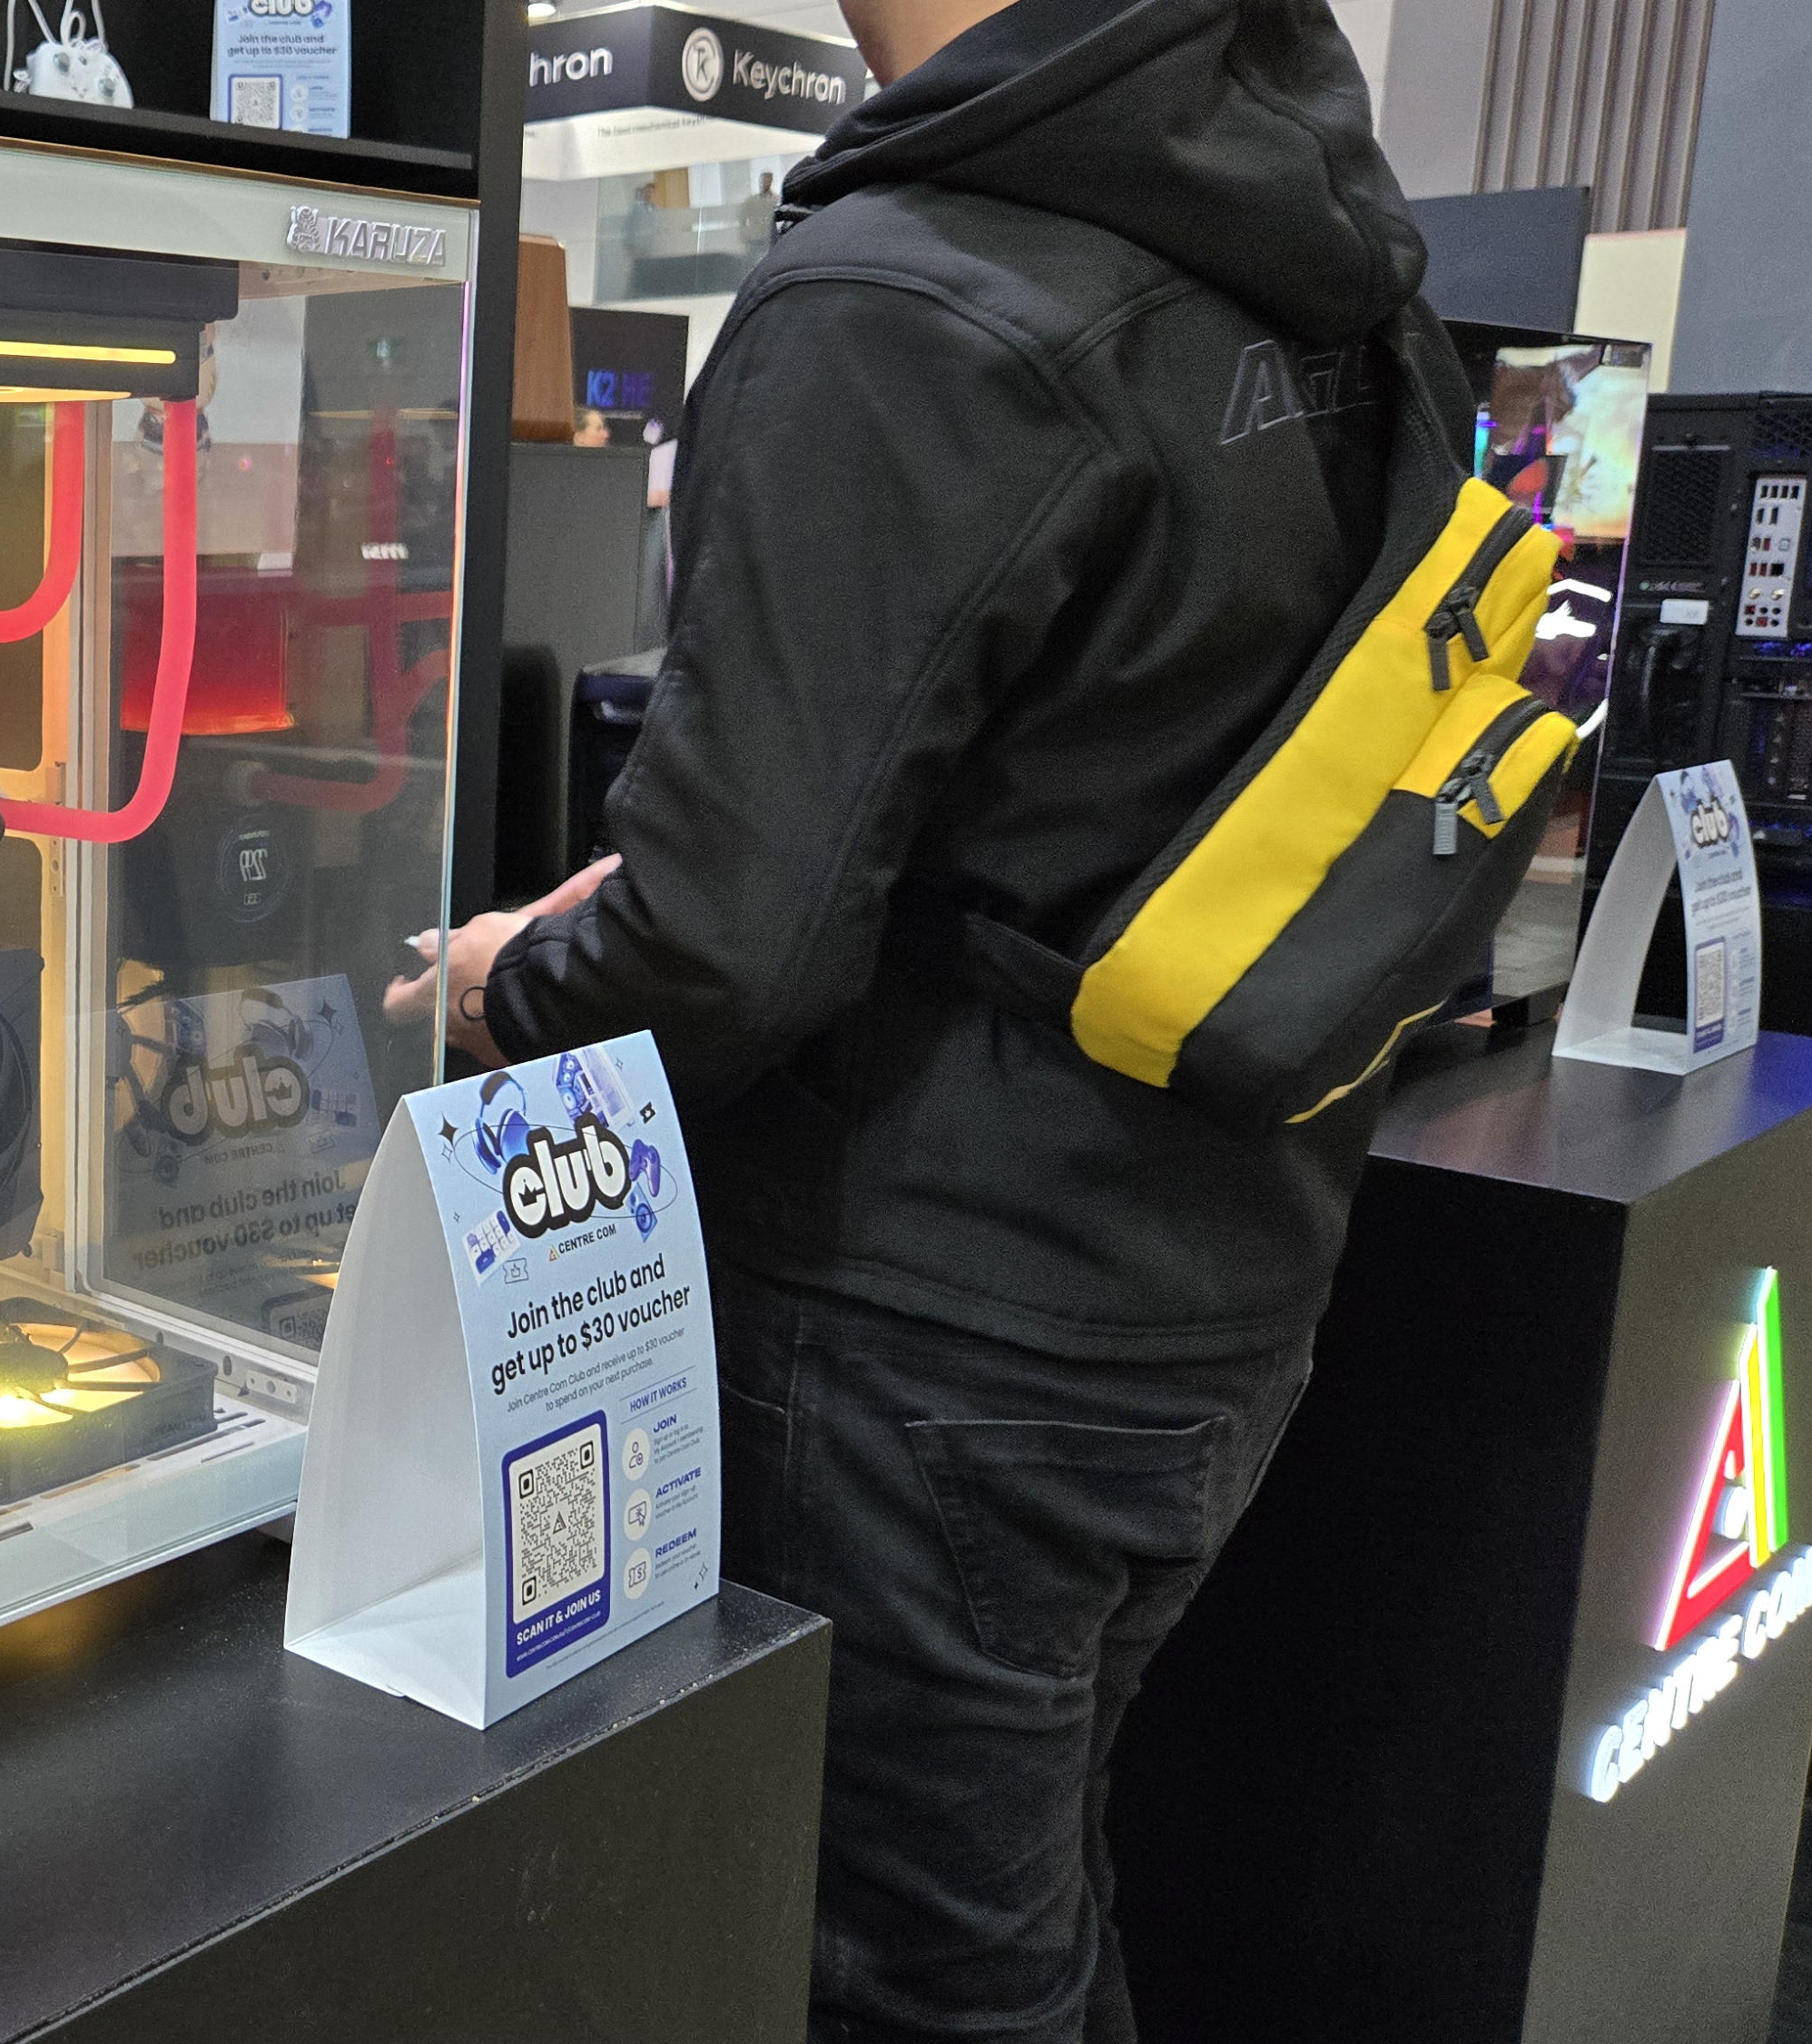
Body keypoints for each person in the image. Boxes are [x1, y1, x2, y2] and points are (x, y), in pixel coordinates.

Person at [392, 0, 1426, 2036]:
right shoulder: (1310, 249)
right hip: (1206, 1285)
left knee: (895, 1972)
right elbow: (1095, 781)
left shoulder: (904, 292)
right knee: (1011, 1916)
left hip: (923, 1329)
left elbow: (728, 956)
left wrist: (504, 980)